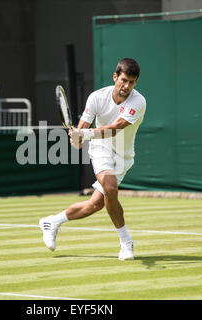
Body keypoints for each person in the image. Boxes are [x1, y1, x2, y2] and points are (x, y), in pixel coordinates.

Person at [39, 57, 146, 261]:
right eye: (123, 80)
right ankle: (126, 242)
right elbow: (81, 130)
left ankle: (52, 222)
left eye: (131, 82)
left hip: (124, 156)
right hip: (101, 149)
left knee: (96, 204)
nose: (126, 86)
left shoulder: (138, 101)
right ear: (115, 77)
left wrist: (83, 136)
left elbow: (116, 128)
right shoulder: (97, 97)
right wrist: (77, 140)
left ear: (136, 82)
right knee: (111, 188)